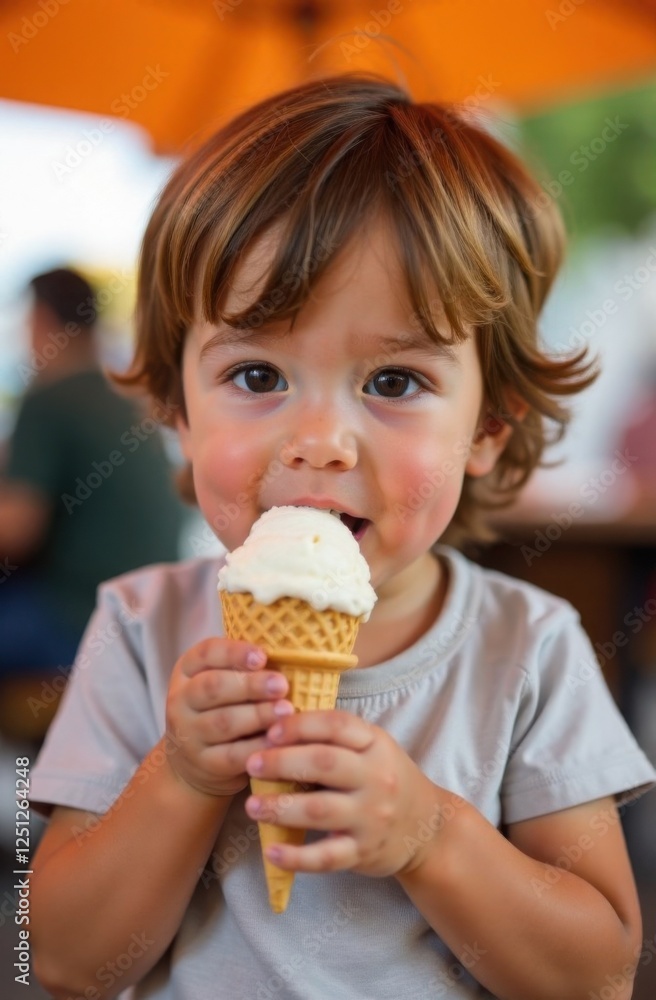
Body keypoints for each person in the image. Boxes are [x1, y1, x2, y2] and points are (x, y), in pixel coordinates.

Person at [28, 75, 656, 1000]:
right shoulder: (137, 628)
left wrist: (432, 836)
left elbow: (597, 975)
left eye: (394, 382)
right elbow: (61, 960)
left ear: (488, 427)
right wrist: (181, 779)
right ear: (179, 410)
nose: (319, 441)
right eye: (256, 374)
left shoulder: (532, 650)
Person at [0, 267, 184, 675]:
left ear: (41, 321)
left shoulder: (49, 397)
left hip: (78, 618)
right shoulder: (123, 397)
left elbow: (16, 530)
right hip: (150, 623)